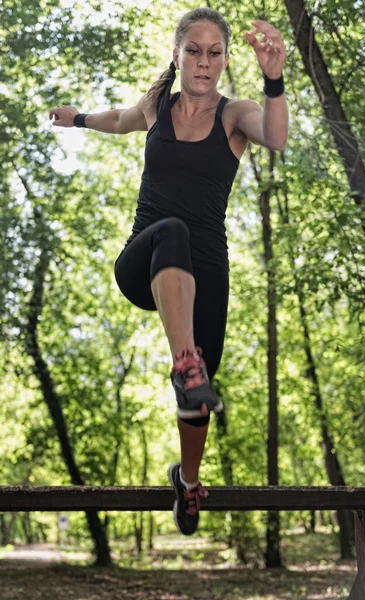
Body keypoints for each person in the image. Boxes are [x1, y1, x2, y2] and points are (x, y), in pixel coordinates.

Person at [49, 7, 288, 536]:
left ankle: (189, 479)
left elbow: (275, 136)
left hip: (206, 276)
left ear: (225, 60)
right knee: (173, 231)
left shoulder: (235, 115)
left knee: (200, 394)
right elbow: (119, 120)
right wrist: (79, 118)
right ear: (177, 55)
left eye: (215, 52)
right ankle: (185, 362)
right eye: (194, 51)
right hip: (146, 261)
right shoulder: (157, 104)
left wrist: (275, 79)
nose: (204, 62)